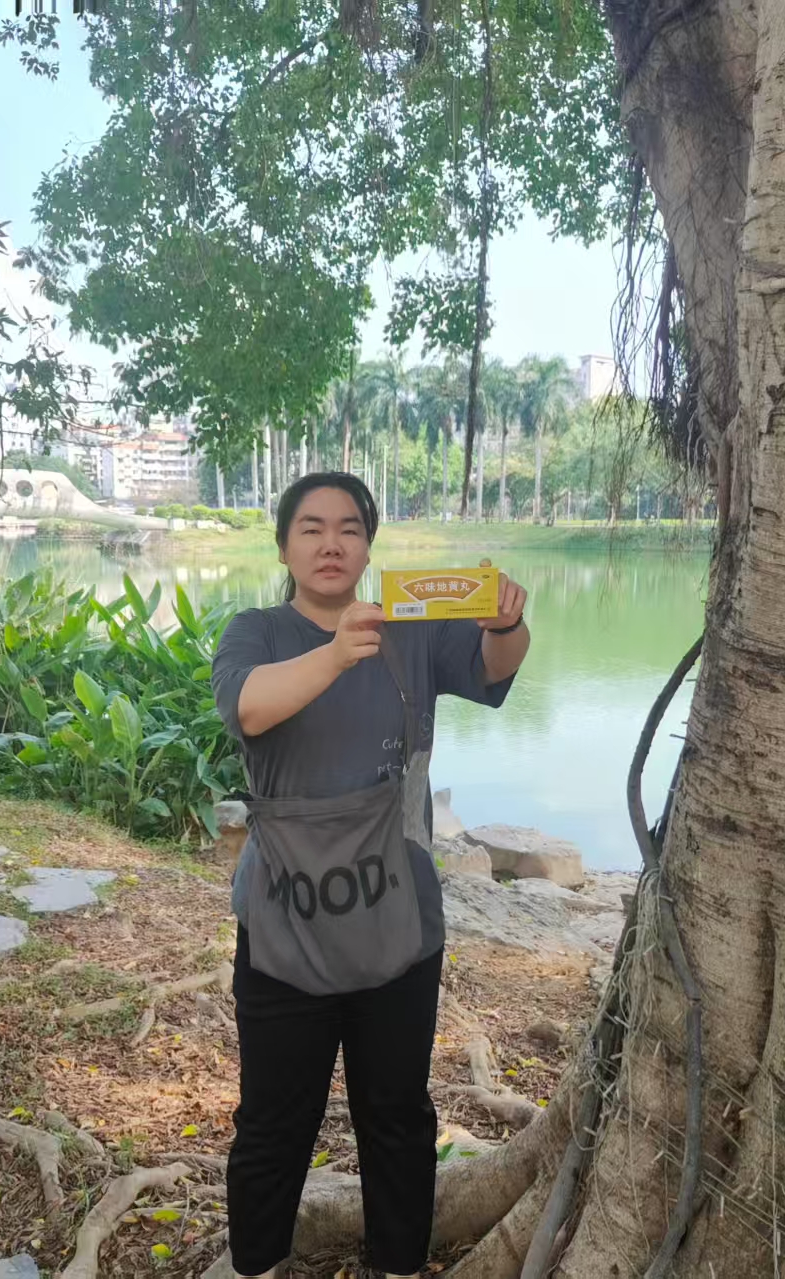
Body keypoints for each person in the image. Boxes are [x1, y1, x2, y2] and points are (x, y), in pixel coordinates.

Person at [211, 472, 530, 1279]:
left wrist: (508, 623)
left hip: (398, 920)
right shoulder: (256, 631)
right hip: (283, 923)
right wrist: (333, 653)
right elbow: (248, 707)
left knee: (396, 1114)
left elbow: (492, 669)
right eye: (311, 527)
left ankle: (397, 1265)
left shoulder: (409, 627)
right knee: (273, 1122)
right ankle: (257, 1265)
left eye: (349, 528)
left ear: (368, 545)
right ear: (284, 546)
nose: (331, 543)